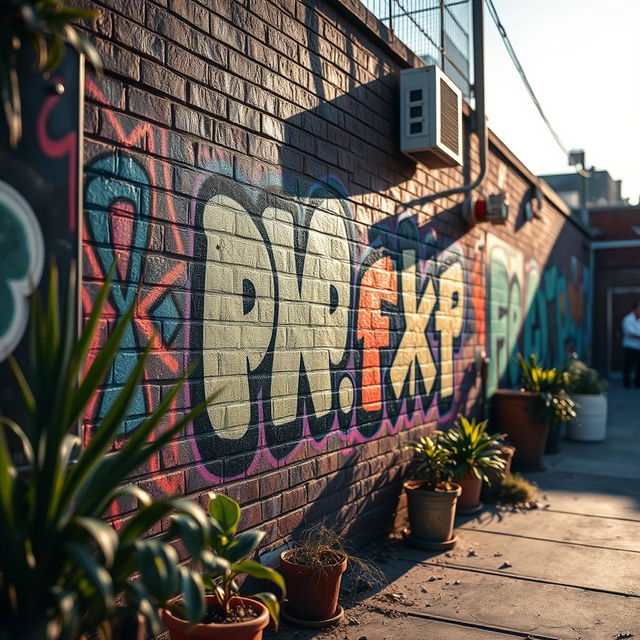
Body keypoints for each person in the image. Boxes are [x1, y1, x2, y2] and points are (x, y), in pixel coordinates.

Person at [622, 301, 640, 388]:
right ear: (634, 309)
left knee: (639, 366)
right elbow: (629, 332)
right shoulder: (627, 319)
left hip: (638, 346)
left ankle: (637, 383)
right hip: (630, 346)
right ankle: (627, 384)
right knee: (628, 365)